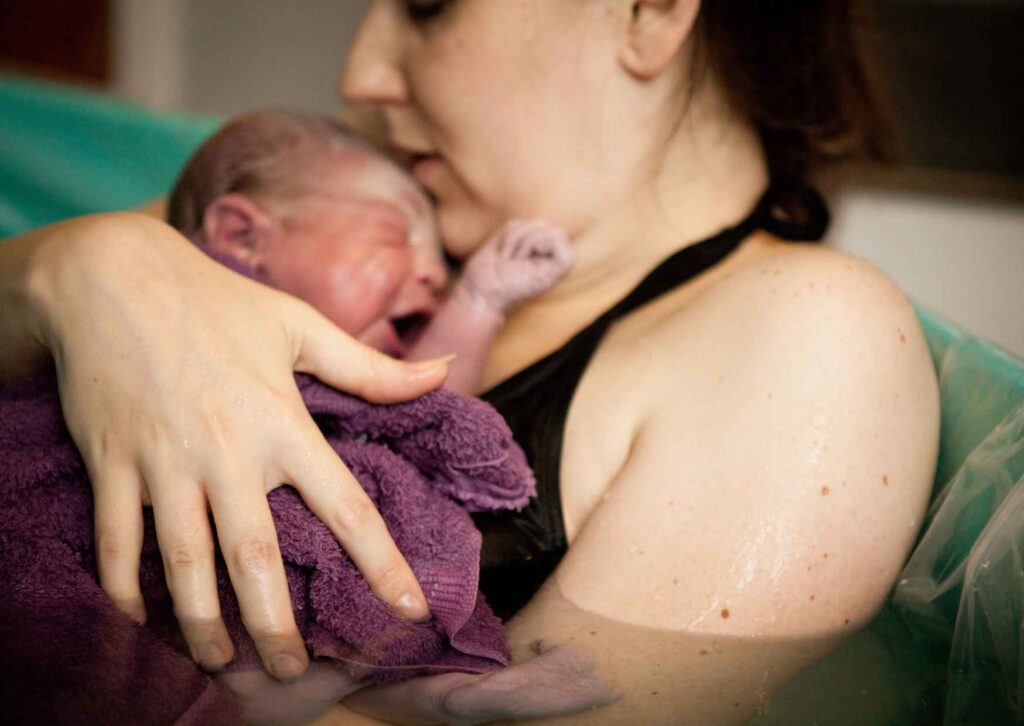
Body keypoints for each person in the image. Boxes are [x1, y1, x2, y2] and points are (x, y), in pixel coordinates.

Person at [0, 1, 940, 723]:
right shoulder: (373, 181)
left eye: (427, 1)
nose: (361, 71)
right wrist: (80, 268)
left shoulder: (803, 338)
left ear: (650, 12)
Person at [166, 109, 575, 394]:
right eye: (396, 233)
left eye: (438, 257)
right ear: (243, 239)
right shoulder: (164, 345)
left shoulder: (363, 395)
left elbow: (428, 410)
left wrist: (477, 301)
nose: (435, 274)